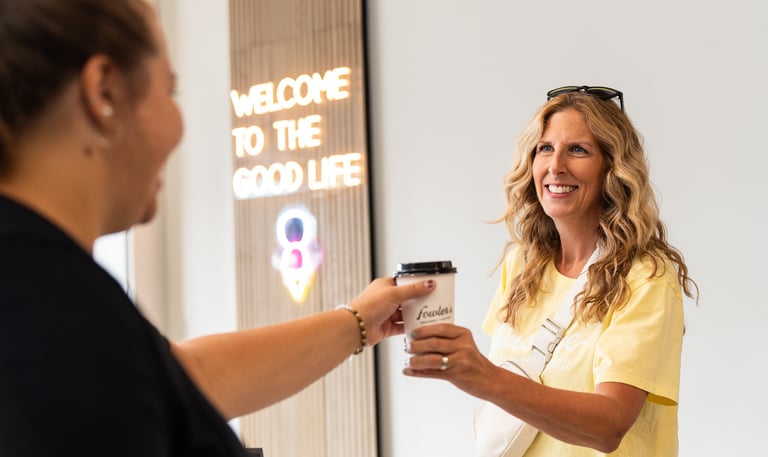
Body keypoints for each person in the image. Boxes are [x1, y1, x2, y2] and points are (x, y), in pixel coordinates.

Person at [0, 1, 434, 456]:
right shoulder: (63, 323)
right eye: (170, 91)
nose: (178, 126)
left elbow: (183, 378)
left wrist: (358, 321)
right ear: (103, 93)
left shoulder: (51, 305)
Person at [403, 86, 698, 456]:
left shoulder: (645, 279)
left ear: (612, 167)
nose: (555, 166)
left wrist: (486, 378)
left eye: (578, 150)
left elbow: (610, 426)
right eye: (545, 148)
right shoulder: (523, 267)